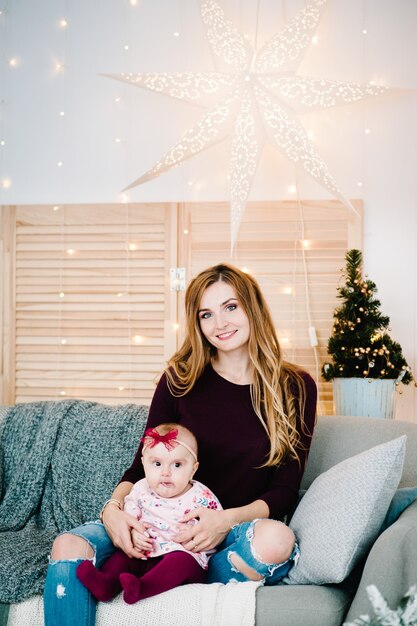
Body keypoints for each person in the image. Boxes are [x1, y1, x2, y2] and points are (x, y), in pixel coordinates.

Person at [44, 262, 317, 626]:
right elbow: (140, 462)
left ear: (254, 308)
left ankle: (191, 572)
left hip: (228, 533)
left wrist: (223, 521)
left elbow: (284, 489)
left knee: (277, 540)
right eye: (207, 314)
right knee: (67, 546)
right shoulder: (179, 379)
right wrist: (112, 511)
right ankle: (164, 573)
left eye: (230, 307)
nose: (220, 324)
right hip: (154, 519)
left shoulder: (295, 386)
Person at [75, 423, 222, 604]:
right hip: (146, 550)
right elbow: (129, 518)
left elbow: (215, 529)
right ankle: (106, 584)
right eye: (157, 464)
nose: (166, 473)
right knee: (122, 557)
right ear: (144, 463)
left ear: (193, 469)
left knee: (181, 562)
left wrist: (193, 538)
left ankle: (143, 587)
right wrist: (135, 534)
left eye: (177, 465)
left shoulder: (202, 496)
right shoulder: (140, 489)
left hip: (180, 553)